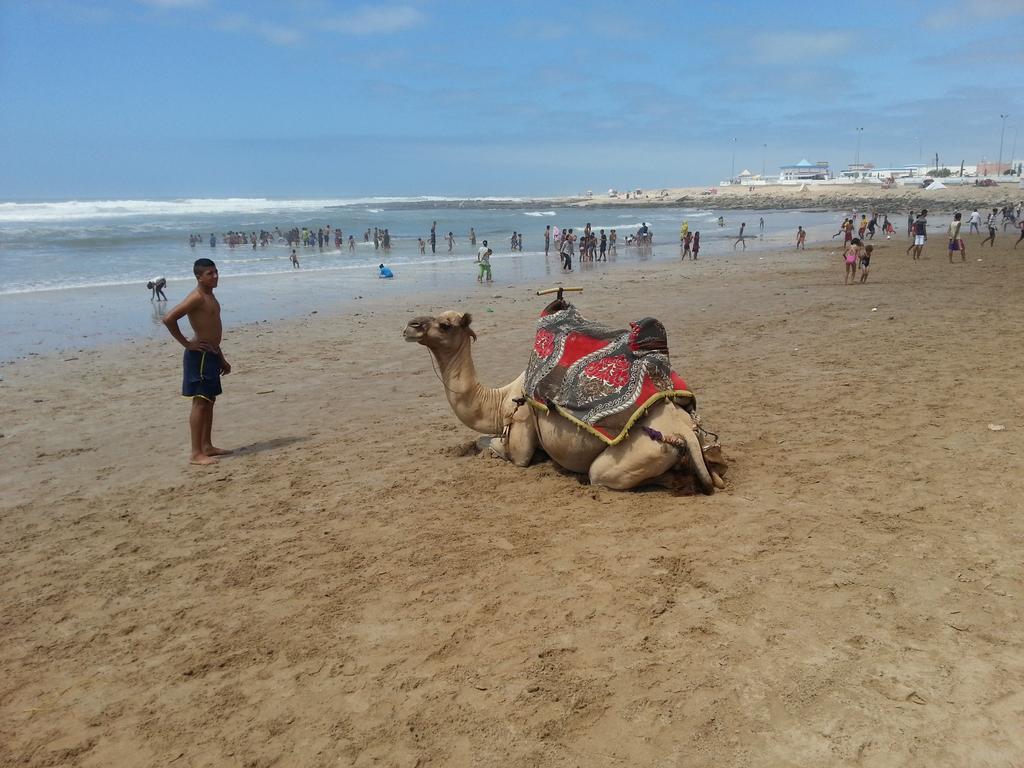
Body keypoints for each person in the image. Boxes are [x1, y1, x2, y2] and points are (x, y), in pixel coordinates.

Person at [162, 258, 232, 465]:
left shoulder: (211, 296)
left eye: (216, 272)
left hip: (211, 354)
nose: (215, 276)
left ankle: (207, 446)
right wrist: (187, 344)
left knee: (210, 401)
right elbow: (169, 318)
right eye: (210, 273)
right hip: (199, 356)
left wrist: (221, 358)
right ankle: (195, 453)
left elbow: (211, 330)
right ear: (199, 277)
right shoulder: (197, 297)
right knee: (200, 403)